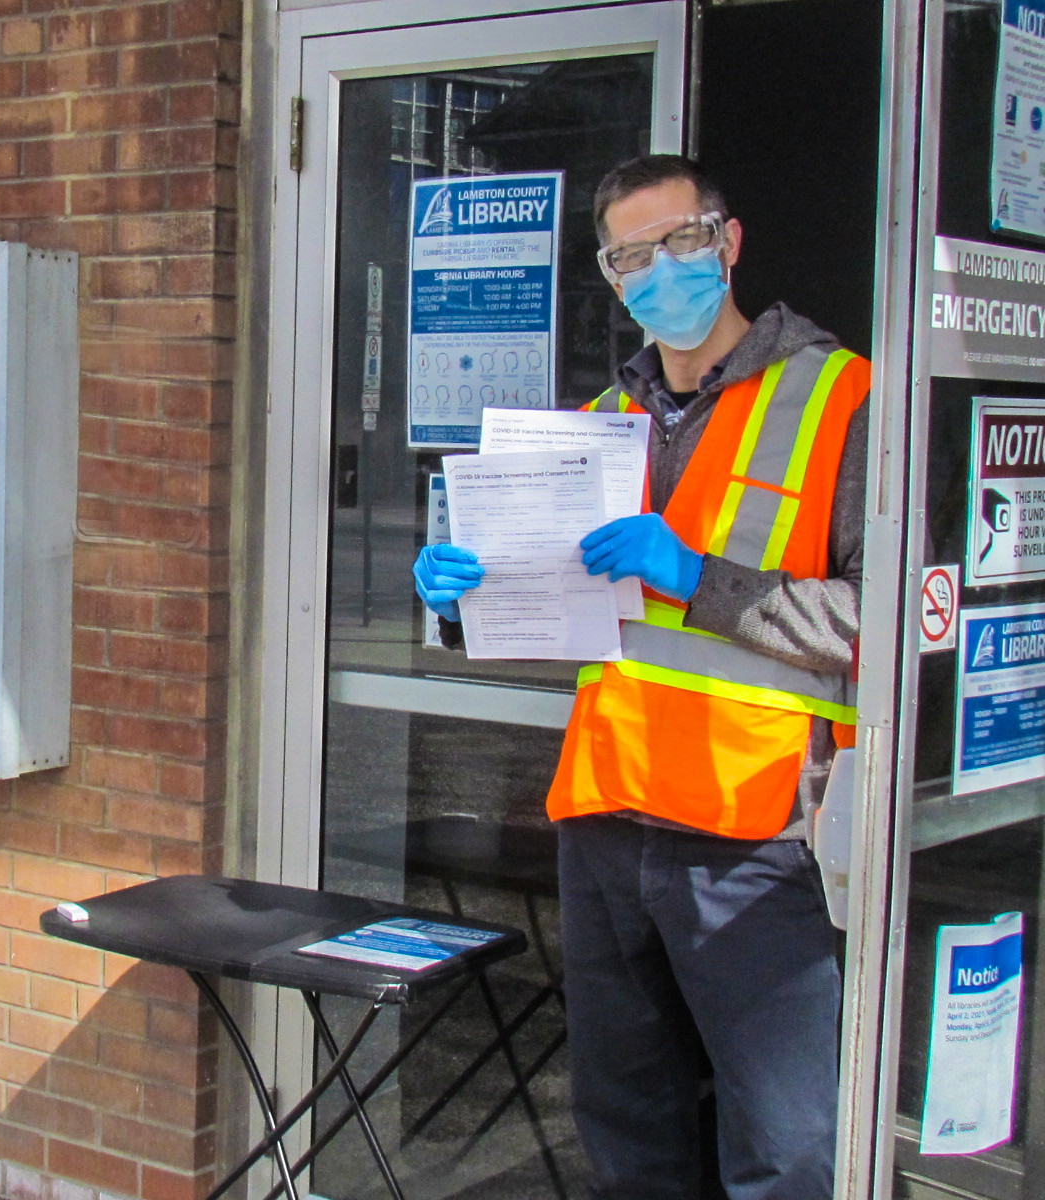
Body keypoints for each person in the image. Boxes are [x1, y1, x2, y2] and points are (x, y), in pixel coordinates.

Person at [412, 154, 870, 1200]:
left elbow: (884, 624)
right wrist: (457, 600)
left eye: (681, 242)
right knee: (626, 1131)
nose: (660, 270)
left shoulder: (842, 396)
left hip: (759, 832)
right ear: (611, 278)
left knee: (786, 1148)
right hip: (609, 817)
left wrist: (695, 576)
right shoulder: (592, 423)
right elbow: (564, 623)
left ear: (729, 241)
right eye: (631, 256)